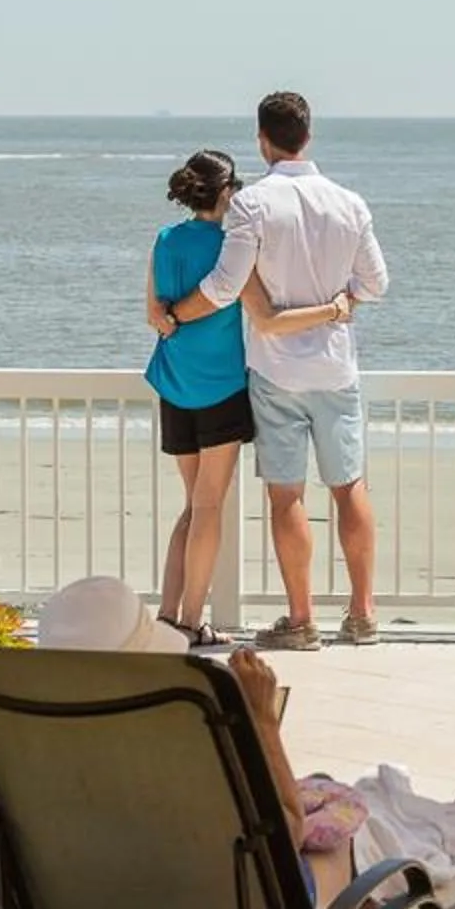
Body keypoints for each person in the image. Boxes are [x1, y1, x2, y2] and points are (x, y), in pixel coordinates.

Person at [36, 576, 455, 900]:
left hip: (90, 899)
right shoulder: (170, 737)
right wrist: (261, 722)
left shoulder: (29, 736)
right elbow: (285, 831)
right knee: (362, 834)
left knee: (346, 796)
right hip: (222, 906)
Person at [154, 91, 388, 651]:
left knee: (287, 499)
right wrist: (340, 306)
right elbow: (377, 283)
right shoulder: (349, 202)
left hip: (276, 373)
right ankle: (362, 614)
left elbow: (222, 288)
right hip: (335, 368)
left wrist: (173, 316)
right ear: (307, 137)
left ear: (263, 140)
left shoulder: (252, 205)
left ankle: (302, 620)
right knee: (349, 486)